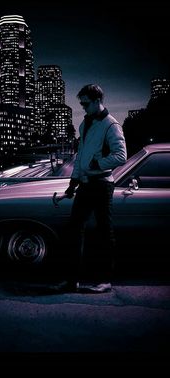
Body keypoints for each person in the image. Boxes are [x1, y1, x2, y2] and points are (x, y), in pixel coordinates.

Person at [56, 84, 127, 293]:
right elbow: (80, 156)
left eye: (86, 103)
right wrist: (73, 181)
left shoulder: (111, 125)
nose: (83, 107)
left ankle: (104, 281)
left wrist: (98, 164)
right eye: (81, 103)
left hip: (103, 184)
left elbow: (121, 156)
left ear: (97, 101)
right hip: (86, 184)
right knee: (73, 230)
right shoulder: (85, 124)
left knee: (104, 232)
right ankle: (72, 280)